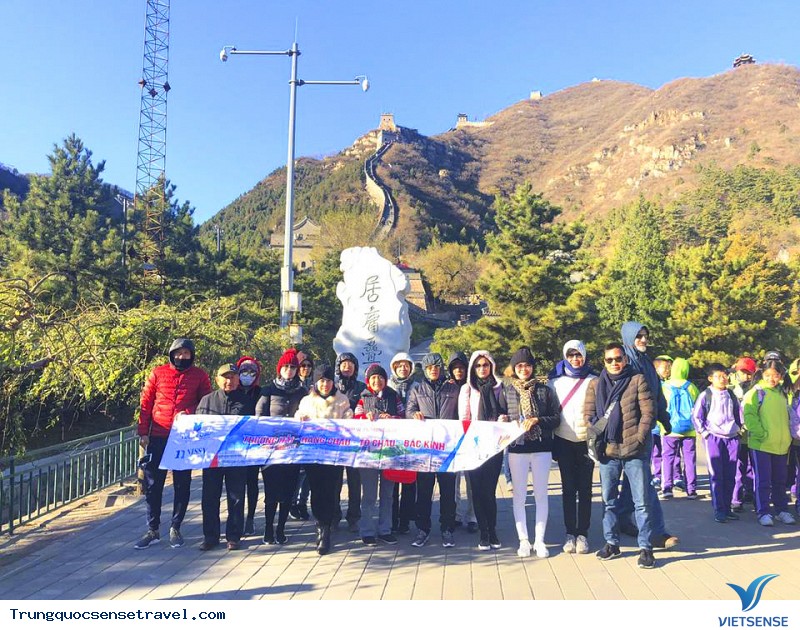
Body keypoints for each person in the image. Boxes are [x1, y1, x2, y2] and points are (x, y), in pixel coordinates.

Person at [585, 342, 657, 569]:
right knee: (608, 501)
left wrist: (639, 439)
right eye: (610, 360)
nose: (614, 363)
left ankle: (645, 548)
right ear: (603, 361)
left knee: (641, 502)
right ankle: (611, 542)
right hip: (608, 452)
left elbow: (648, 412)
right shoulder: (595, 385)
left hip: (634, 450)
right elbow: (588, 415)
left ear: (625, 360)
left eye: (618, 359)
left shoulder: (637, 380)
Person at [135, 338, 211, 550]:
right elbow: (146, 402)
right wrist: (143, 431)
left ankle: (176, 526)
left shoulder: (199, 375)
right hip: (158, 434)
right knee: (153, 484)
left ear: (191, 355)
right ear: (171, 354)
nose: (181, 357)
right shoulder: (158, 373)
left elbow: (206, 403)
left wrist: (188, 414)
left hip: (183, 437)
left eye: (186, 353)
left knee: (182, 484)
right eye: (178, 353)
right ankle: (153, 529)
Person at [616, 322, 679, 550]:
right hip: (629, 432)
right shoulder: (624, 363)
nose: (643, 340)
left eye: (645, 335)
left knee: (635, 480)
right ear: (628, 338)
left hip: (647, 429)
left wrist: (664, 416)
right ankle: (656, 533)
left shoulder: (646, 362)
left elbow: (656, 394)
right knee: (645, 484)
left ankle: (622, 518)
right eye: (638, 336)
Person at [504, 347, 560, 558]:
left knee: (541, 495)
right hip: (517, 449)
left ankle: (540, 540)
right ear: (514, 369)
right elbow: (501, 416)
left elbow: (556, 418)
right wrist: (503, 420)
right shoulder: (508, 391)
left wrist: (538, 420)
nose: (524, 369)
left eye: (527, 365)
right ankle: (524, 540)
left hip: (541, 448)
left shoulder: (544, 390)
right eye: (519, 365)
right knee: (519, 495)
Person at [295, 363, 353, 555]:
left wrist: (346, 420)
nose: (325, 384)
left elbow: (349, 420)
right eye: (321, 381)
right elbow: (298, 417)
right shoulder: (306, 401)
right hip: (313, 454)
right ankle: (319, 526)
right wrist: (300, 418)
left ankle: (327, 529)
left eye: (328, 380)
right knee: (316, 490)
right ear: (315, 382)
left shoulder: (342, 400)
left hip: (334, 454)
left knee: (331, 491)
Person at [406, 353, 460, 548]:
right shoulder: (417, 388)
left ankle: (447, 529)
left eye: (436, 367)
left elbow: (461, 413)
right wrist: (414, 414)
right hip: (426, 450)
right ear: (425, 370)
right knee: (424, 492)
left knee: (448, 492)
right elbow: (409, 410)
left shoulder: (453, 388)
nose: (433, 370)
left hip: (447, 448)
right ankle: (423, 529)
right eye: (430, 368)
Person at [197, 363, 253, 551]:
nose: (229, 380)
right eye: (225, 377)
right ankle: (210, 536)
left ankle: (234, 535)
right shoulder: (207, 401)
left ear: (238, 380)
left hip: (236, 457)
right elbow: (198, 428)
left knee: (236, 496)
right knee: (210, 497)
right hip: (212, 457)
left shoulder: (246, 401)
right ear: (217, 379)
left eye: (233, 377)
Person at [549, 340, 596, 554]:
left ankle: (583, 533)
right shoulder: (555, 383)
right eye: (571, 355)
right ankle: (570, 532)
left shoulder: (594, 380)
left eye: (579, 355)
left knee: (585, 489)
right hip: (563, 440)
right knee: (568, 488)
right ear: (565, 357)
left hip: (586, 441)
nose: (575, 359)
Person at [255, 349, 307, 544]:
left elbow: (308, 414)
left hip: (293, 450)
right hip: (271, 451)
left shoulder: (302, 392)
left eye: (293, 367)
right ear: (279, 368)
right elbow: (259, 418)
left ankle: (281, 529)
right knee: (271, 492)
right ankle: (268, 528)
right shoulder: (268, 390)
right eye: (286, 366)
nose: (289, 370)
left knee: (288, 492)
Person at [459, 350, 507, 551]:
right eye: (478, 366)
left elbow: (506, 411)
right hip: (474, 446)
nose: (482, 369)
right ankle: (484, 532)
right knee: (476, 491)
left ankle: (493, 529)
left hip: (494, 446)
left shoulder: (499, 388)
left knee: (489, 491)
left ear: (491, 366)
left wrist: (504, 419)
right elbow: (464, 418)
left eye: (485, 365)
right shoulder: (467, 389)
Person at [354, 363, 406, 545]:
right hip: (368, 453)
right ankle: (367, 530)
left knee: (388, 494)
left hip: (390, 453)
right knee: (369, 495)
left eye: (380, 377)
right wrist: (365, 418)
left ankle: (385, 529)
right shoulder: (363, 397)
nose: (377, 381)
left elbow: (404, 416)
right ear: (368, 380)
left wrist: (392, 419)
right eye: (374, 378)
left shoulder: (394, 396)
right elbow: (355, 419)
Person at [743, 360, 796, 526]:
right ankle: (763, 512)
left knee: (780, 481)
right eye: (768, 375)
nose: (771, 379)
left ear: (781, 376)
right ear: (762, 374)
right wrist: (761, 433)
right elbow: (749, 415)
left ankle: (781, 510)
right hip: (761, 445)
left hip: (781, 446)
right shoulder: (757, 392)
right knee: (763, 481)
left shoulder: (783, 393)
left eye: (775, 375)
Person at [692, 363, 742, 523]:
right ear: (710, 379)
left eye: (724, 375)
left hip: (732, 438)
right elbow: (696, 416)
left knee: (730, 475)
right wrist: (705, 433)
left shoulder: (731, 395)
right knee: (716, 475)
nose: (722, 379)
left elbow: (738, 414)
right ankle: (719, 509)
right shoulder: (706, 395)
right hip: (713, 438)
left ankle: (727, 508)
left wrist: (739, 429)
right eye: (718, 376)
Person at [334, 352, 367, 531]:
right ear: (338, 367)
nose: (347, 367)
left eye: (350, 364)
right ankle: (334, 515)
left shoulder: (362, 387)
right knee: (335, 481)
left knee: (355, 482)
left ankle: (354, 516)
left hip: (355, 442)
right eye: (343, 364)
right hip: (336, 441)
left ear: (355, 367)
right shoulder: (332, 387)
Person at [660, 358, 699, 499]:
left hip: (670, 429)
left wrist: (661, 426)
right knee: (689, 459)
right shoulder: (691, 387)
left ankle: (667, 488)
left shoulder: (665, 386)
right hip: (689, 429)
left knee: (668, 458)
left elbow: (660, 407)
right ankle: (691, 489)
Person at [449, 352, 478, 533]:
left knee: (471, 480)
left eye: (461, 367)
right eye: (455, 368)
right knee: (453, 481)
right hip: (452, 438)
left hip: (471, 438)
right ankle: (456, 515)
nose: (458, 371)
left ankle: (473, 516)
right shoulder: (447, 386)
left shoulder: (474, 386)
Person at [388, 352, 417, 534]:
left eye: (406, 365)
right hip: (392, 441)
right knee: (391, 483)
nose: (402, 368)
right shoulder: (388, 386)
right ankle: (392, 519)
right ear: (394, 367)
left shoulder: (417, 387)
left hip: (413, 441)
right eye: (399, 366)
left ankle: (405, 520)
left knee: (409, 483)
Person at [237, 355, 264, 536]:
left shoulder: (261, 392)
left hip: (255, 444)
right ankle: (237, 518)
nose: (247, 375)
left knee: (252, 483)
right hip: (236, 445)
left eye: (251, 372)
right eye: (243, 372)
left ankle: (250, 518)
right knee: (237, 483)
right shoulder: (233, 391)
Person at [290, 352, 315, 520]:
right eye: (302, 365)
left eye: (308, 365)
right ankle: (292, 503)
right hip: (295, 432)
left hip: (312, 434)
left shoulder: (316, 384)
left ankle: (302, 503)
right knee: (296, 472)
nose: (305, 368)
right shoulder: (292, 385)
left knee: (308, 472)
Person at [731, 356, 757, 511]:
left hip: (754, 436)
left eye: (749, 373)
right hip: (738, 436)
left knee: (753, 469)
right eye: (743, 372)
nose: (746, 376)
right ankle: (736, 499)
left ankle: (752, 495)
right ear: (736, 373)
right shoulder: (731, 391)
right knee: (738, 469)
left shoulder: (758, 391)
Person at [650, 355, 673, 489]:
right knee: (655, 453)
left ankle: (665, 476)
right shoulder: (653, 383)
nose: (668, 370)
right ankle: (657, 475)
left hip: (663, 428)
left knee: (665, 453)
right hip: (654, 427)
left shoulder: (667, 384)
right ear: (656, 368)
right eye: (665, 367)